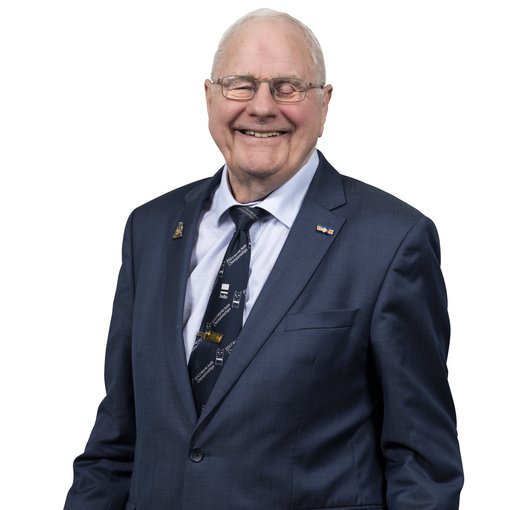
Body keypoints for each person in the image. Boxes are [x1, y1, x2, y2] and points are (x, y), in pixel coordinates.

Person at [64, 8, 463, 510]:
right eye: (241, 85)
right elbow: (117, 440)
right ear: (210, 97)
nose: (261, 107)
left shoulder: (392, 241)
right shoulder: (150, 230)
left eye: (287, 87)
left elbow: (422, 462)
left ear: (324, 103)